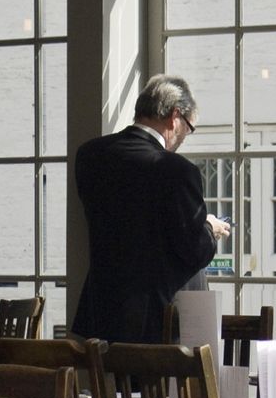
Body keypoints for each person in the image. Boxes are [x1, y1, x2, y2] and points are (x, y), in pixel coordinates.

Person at [71, 74, 231, 344]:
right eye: (188, 128)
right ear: (175, 116)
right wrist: (209, 227)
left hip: (102, 313)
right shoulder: (176, 170)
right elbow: (193, 250)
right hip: (158, 321)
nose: (185, 137)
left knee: (104, 375)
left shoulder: (89, 155)